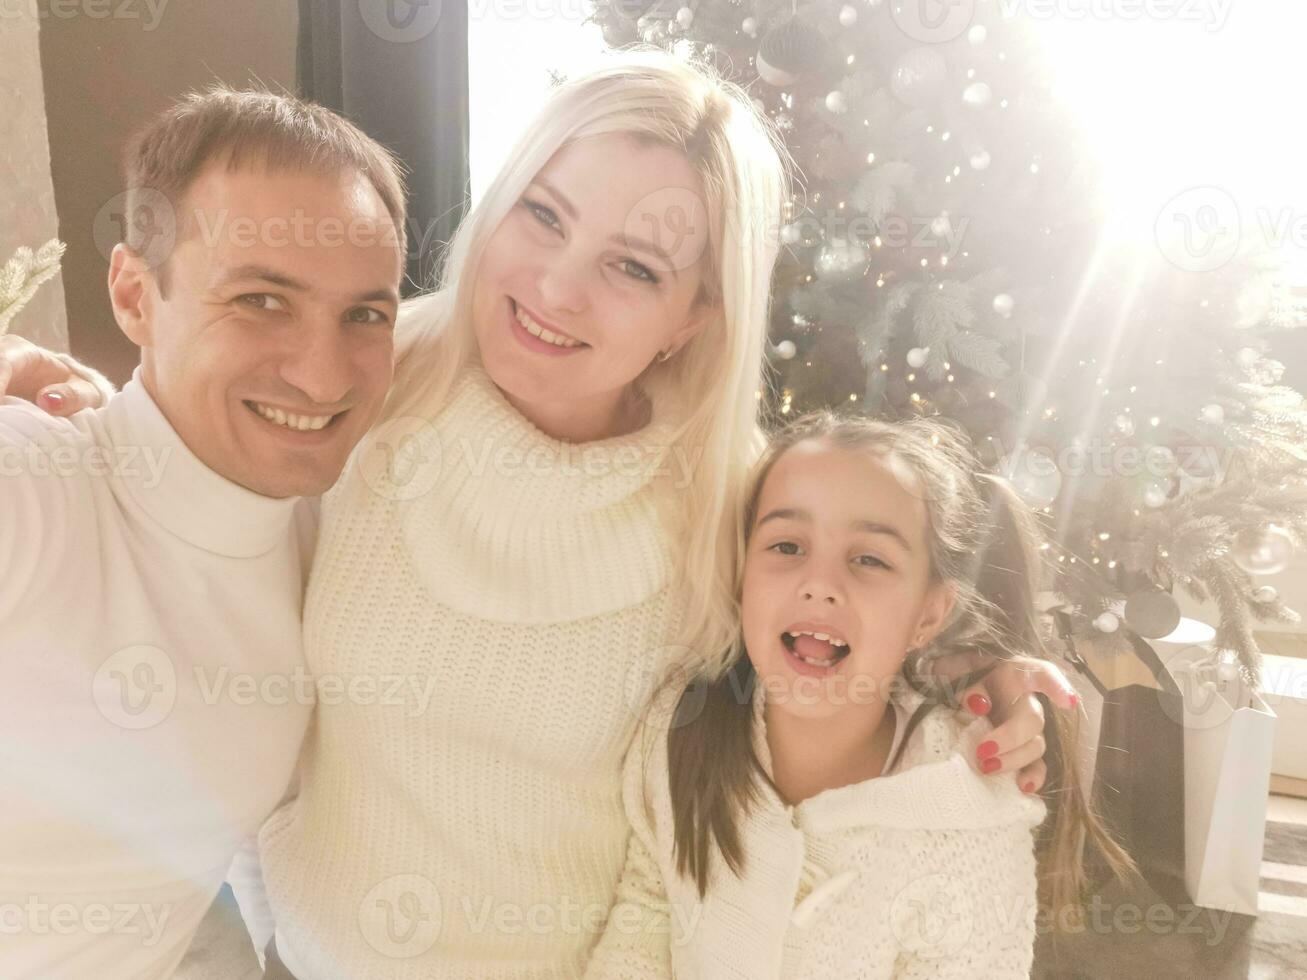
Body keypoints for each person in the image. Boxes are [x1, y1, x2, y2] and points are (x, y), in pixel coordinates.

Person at [5, 51, 1077, 979]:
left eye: (632, 265)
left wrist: (969, 680)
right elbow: (185, 469)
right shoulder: (363, 385)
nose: (557, 288)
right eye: (544, 214)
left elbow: (843, 619)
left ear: (694, 314)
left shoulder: (725, 501)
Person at [0, 88, 406, 979]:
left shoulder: (328, 542)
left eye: (365, 315)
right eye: (262, 300)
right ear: (135, 296)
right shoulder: (35, 479)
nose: (321, 372)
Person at [584, 412, 1138, 978]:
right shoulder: (678, 731)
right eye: (785, 545)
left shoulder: (968, 813)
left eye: (869, 558)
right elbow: (648, 908)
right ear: (742, 571)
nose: (820, 583)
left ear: (929, 614)